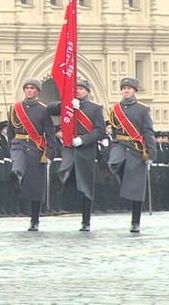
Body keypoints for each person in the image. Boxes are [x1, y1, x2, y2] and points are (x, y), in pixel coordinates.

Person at [48, 78, 105, 231]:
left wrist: (83, 139)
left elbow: (100, 131)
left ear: (87, 91)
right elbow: (50, 108)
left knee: (86, 187)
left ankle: (86, 221)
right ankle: (62, 182)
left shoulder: (95, 108)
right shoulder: (68, 105)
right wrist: (64, 105)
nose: (78, 90)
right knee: (65, 168)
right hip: (68, 147)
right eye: (76, 88)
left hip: (85, 150)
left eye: (81, 88)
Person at [108, 77, 156, 233]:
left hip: (137, 149)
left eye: (129, 88)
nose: (126, 91)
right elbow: (114, 131)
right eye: (124, 88)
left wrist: (150, 152)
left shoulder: (142, 109)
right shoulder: (115, 109)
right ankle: (123, 185)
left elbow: (148, 132)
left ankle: (135, 222)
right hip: (120, 145)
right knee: (113, 163)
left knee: (137, 188)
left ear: (135, 91)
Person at [8, 77, 55, 231]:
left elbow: (49, 133)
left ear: (37, 91)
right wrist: (11, 146)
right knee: (18, 163)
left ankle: (34, 220)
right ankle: (17, 175)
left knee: (36, 187)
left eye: (32, 88)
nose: (29, 90)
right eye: (27, 88)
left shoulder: (44, 109)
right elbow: (10, 132)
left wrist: (50, 154)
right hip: (19, 143)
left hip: (36, 148)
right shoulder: (15, 108)